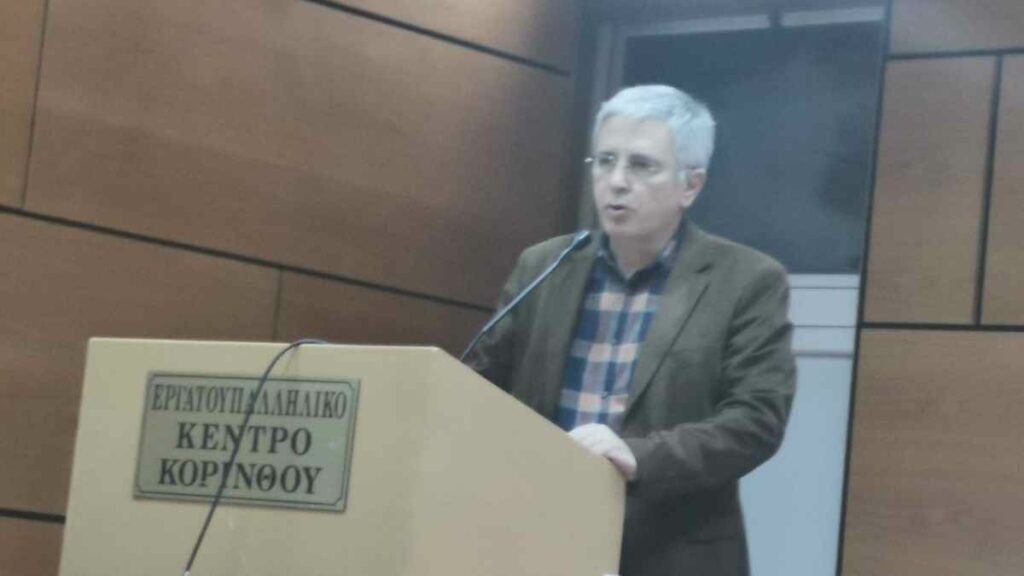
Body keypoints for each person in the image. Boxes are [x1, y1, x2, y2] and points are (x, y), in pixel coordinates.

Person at [466, 84, 795, 576]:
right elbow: (477, 389)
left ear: (691, 185)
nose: (617, 182)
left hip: (672, 551)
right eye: (605, 161)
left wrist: (638, 456)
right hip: (538, 538)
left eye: (642, 165)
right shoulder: (546, 265)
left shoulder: (746, 280)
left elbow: (756, 421)